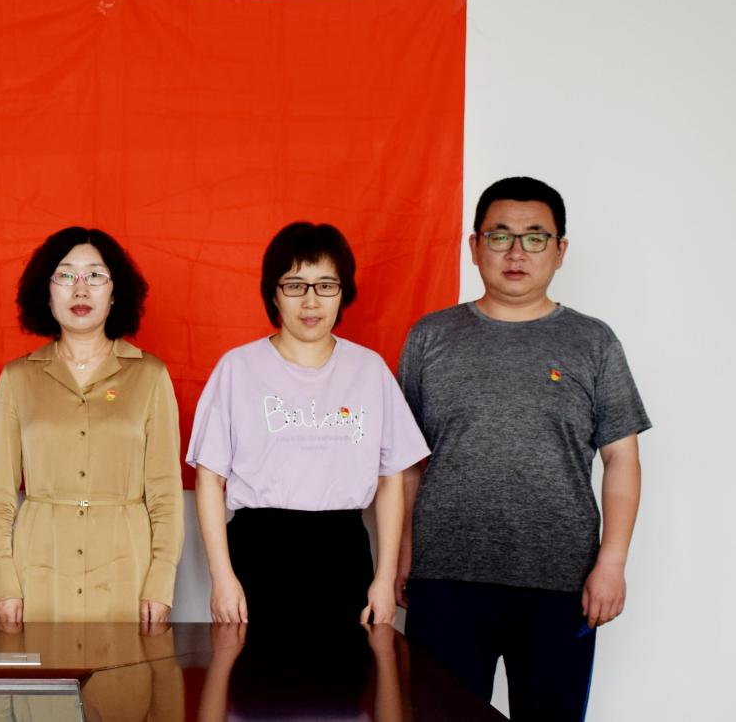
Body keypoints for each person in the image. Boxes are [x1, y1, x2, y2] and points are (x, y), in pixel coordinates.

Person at [395, 177, 651, 721]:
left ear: (560, 250)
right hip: (446, 576)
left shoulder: (593, 341)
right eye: (499, 236)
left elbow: (621, 458)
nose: (516, 253)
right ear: (474, 246)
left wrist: (612, 562)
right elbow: (407, 463)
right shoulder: (430, 337)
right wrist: (404, 552)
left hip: (561, 582)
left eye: (535, 238)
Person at [186, 222, 429, 626]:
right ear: (274, 293)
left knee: (348, 667)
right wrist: (222, 578)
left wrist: (384, 580)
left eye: (326, 286)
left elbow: (391, 479)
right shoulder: (238, 368)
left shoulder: (369, 370)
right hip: (257, 552)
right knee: (253, 668)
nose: (311, 301)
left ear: (343, 292)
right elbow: (209, 478)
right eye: (295, 285)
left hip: (343, 554)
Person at [0, 226, 184, 623]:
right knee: (40, 664)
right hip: (38, 566)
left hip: (127, 567)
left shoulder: (150, 376)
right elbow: (0, 492)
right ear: (47, 292)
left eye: (95, 275)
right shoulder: (18, 377)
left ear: (115, 292)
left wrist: (161, 580)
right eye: (65, 275)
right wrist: (4, 579)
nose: (80, 289)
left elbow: (165, 492)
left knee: (126, 665)